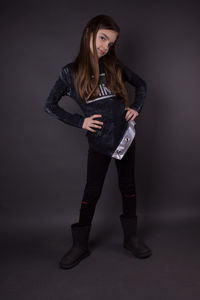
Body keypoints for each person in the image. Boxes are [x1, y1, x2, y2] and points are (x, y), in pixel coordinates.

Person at [44, 15, 152, 269]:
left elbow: (142, 85)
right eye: (103, 38)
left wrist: (136, 106)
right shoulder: (69, 73)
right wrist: (79, 121)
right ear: (89, 33)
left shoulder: (114, 65)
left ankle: (131, 238)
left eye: (111, 43)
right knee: (92, 192)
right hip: (99, 142)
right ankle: (80, 244)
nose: (105, 46)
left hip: (124, 138)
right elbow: (49, 105)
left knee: (128, 186)